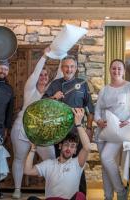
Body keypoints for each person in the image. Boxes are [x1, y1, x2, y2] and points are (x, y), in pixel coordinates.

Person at [11, 47, 63, 199]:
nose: (43, 77)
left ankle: (51, 191)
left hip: (42, 131)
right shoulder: (30, 89)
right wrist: (45, 56)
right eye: (41, 74)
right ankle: (17, 190)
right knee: (19, 159)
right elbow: (35, 73)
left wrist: (63, 55)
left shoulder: (51, 91)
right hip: (22, 128)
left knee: (52, 160)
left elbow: (59, 75)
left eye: (46, 75)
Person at [42, 55, 94, 195]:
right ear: (61, 68)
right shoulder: (55, 84)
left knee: (79, 165)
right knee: (61, 165)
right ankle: (61, 195)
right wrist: (54, 97)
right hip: (59, 132)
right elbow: (43, 104)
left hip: (77, 131)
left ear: (75, 68)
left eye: (72, 66)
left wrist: (89, 129)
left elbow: (89, 108)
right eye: (66, 66)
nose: (69, 69)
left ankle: (81, 195)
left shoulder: (82, 84)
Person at [94, 59, 130, 200]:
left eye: (119, 68)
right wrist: (98, 121)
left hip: (118, 131)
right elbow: (97, 111)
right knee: (104, 165)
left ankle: (121, 191)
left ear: (124, 71)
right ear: (110, 70)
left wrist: (129, 121)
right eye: (113, 68)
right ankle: (107, 196)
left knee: (106, 158)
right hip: (103, 131)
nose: (116, 71)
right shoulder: (104, 89)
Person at [24, 108, 90, 200]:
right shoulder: (48, 164)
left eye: (72, 146)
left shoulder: (77, 164)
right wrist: (32, 150)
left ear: (75, 151)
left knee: (80, 196)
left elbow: (87, 147)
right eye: (66, 145)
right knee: (32, 199)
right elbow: (27, 171)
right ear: (60, 146)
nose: (69, 148)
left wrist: (78, 124)